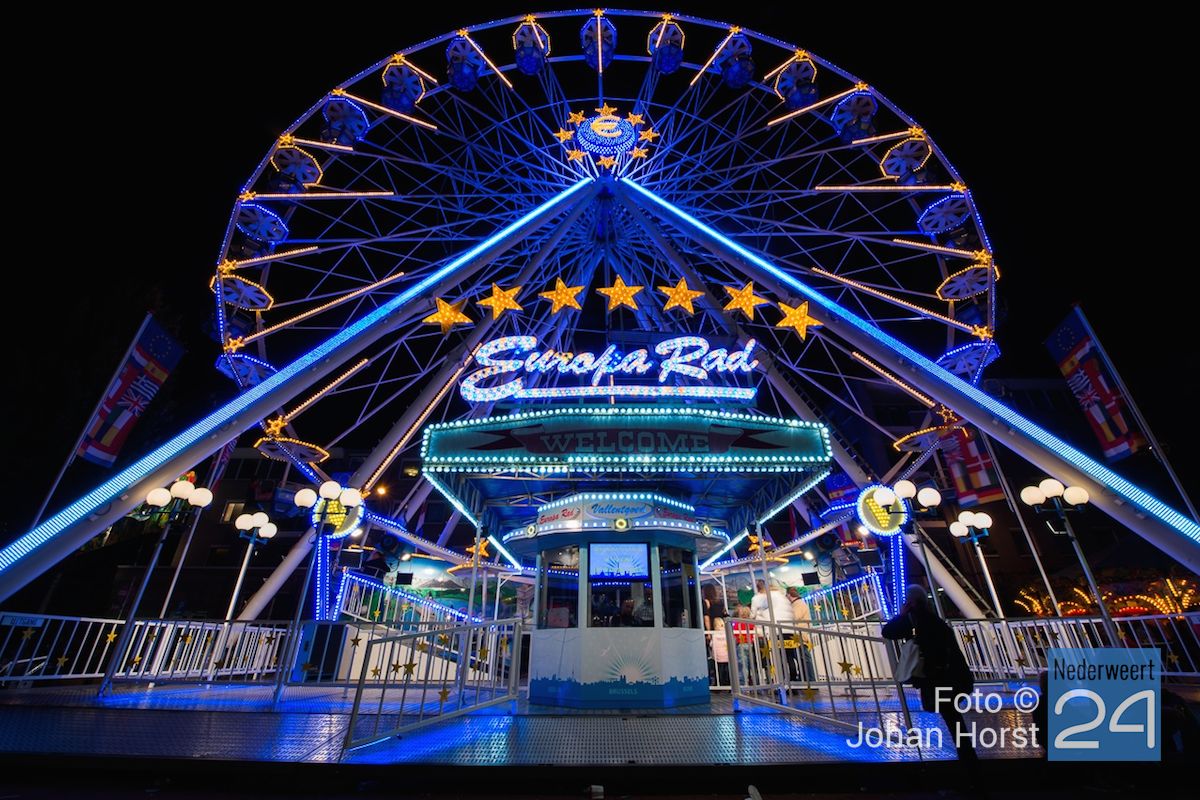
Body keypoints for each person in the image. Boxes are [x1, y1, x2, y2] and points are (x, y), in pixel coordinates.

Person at [882, 584, 976, 760]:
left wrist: (901, 615)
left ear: (911, 602)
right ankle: (968, 758)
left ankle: (968, 761)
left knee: (953, 719)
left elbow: (887, 631)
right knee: (953, 718)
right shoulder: (935, 620)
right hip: (950, 675)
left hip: (938, 677)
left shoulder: (914, 620)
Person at [786, 586, 815, 682]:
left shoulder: (798, 604)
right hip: (798, 635)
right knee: (801, 658)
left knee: (804, 658)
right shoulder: (798, 603)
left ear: (789, 595)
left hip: (800, 635)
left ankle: (810, 680)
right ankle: (806, 679)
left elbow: (795, 616)